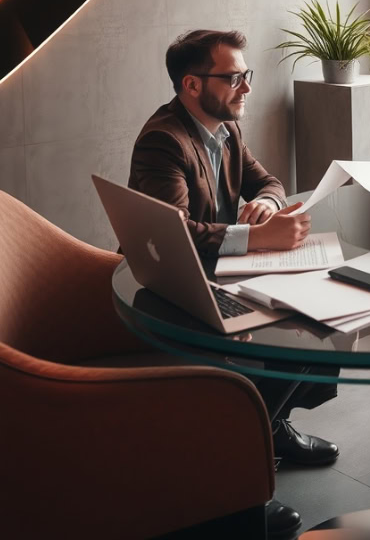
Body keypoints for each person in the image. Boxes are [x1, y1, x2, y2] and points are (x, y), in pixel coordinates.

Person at [129, 29, 339, 540]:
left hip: (226, 274)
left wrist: (266, 204)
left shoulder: (226, 130)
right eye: (234, 77)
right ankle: (234, 479)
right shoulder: (165, 140)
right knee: (287, 337)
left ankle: (269, 428)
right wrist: (257, 236)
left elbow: (266, 180)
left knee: (320, 319)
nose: (246, 86)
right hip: (178, 288)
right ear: (192, 84)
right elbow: (173, 234)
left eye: (247, 75)